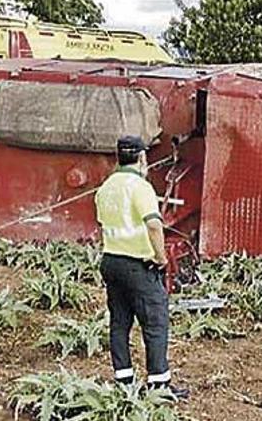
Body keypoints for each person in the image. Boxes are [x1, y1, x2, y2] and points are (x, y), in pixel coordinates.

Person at [95, 136, 188, 398]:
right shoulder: (140, 187)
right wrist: (160, 257)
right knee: (155, 323)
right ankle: (159, 384)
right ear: (142, 158)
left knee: (119, 322)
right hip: (138, 264)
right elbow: (154, 224)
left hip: (111, 260)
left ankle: (123, 381)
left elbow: (103, 224)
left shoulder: (106, 187)